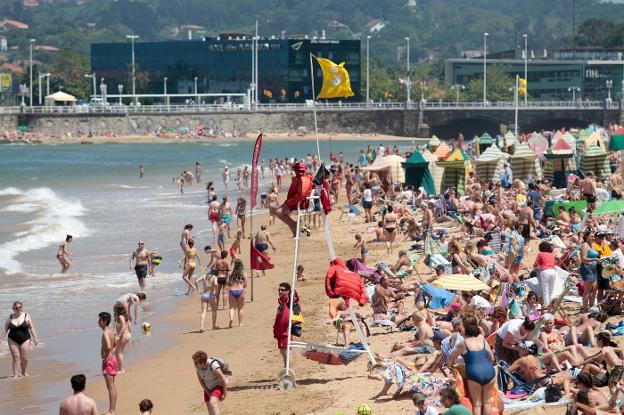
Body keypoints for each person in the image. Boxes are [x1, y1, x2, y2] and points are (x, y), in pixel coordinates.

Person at [449, 322, 496, 415]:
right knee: (487, 402)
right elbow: (492, 358)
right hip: (489, 370)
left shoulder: (463, 343)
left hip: (474, 372)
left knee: (477, 404)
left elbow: (451, 358)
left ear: (466, 332)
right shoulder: (483, 341)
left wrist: (451, 367)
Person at [0, 300, 38, 378]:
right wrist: (1, 339)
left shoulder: (26, 316)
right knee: (16, 357)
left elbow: (31, 327)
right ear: (13, 308)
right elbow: (5, 328)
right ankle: (15, 375)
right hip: (12, 339)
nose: (18, 309)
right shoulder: (10, 317)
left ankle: (23, 372)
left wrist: (35, 338)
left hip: (25, 339)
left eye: (20, 307)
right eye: (16, 308)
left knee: (25, 358)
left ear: (22, 307)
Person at [192, 350, 228, 415]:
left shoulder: (213, 366)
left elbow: (223, 379)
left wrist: (225, 393)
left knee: (213, 402)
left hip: (218, 385)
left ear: (202, 362)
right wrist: (208, 392)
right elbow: (201, 382)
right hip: (208, 387)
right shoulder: (198, 368)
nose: (194, 365)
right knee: (210, 408)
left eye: (196, 363)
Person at [274, 282, 300, 365]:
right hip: (280, 332)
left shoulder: (289, 301)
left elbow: (295, 311)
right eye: (279, 290)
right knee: (283, 352)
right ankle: (286, 368)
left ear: (287, 291)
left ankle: (288, 371)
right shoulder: (282, 301)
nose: (280, 291)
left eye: (282, 290)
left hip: (285, 332)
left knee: (286, 352)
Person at [98, 312, 117, 415]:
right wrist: (112, 355)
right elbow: (115, 344)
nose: (98, 322)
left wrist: (105, 358)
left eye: (100, 320)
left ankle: (112, 411)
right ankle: (113, 409)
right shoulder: (110, 331)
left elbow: (109, 346)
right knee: (112, 386)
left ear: (104, 321)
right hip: (113, 359)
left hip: (108, 361)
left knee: (110, 387)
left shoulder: (106, 332)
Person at [534, 241, 557, 307]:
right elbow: (555, 264)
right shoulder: (551, 255)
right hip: (553, 271)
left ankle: (546, 305)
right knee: (551, 289)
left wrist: (536, 268)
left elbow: (535, 264)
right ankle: (551, 304)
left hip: (545, 271)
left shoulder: (540, 254)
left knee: (545, 289)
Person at [580, 232, 600, 311]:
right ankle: (585, 309)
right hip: (587, 268)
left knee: (594, 289)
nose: (592, 238)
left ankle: (591, 308)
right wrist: (595, 259)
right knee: (587, 291)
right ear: (586, 237)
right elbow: (583, 258)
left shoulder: (592, 245)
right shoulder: (585, 245)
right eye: (591, 236)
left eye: (593, 237)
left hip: (594, 268)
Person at [227, 259, 247, 328]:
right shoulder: (244, 273)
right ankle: (240, 323)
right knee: (240, 308)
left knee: (232, 308)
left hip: (232, 291)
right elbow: (245, 284)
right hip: (240, 291)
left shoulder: (230, 273)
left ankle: (231, 319)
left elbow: (228, 283)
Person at [113, 304, 131, 373]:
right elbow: (129, 326)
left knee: (118, 352)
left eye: (114, 309)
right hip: (126, 335)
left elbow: (123, 326)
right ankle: (119, 368)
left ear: (117, 310)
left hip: (123, 335)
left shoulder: (120, 317)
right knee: (119, 352)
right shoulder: (123, 317)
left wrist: (118, 336)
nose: (113, 310)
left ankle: (121, 369)